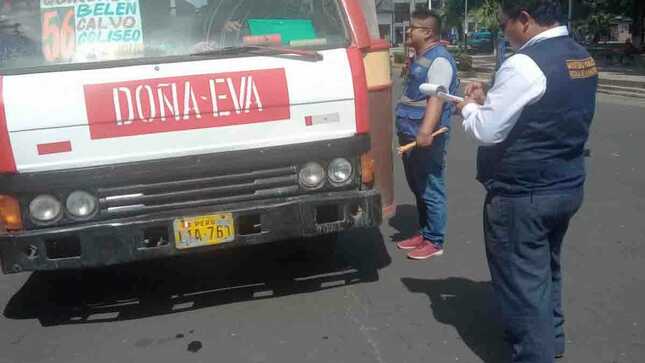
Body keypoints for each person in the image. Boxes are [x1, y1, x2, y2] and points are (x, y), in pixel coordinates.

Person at [456, 1, 598, 362]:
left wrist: (469, 108)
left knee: (522, 284)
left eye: (505, 24)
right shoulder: (580, 56)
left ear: (525, 20)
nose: (503, 31)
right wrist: (491, 102)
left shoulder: (524, 63)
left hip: (525, 192)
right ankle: (553, 341)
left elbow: (487, 130)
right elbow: (544, 110)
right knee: (546, 269)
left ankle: (536, 354)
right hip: (566, 183)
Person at [395, 9, 459, 260]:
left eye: (413, 27)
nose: (408, 31)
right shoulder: (420, 56)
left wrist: (425, 130)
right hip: (409, 133)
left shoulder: (439, 60)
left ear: (428, 32)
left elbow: (437, 98)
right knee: (418, 185)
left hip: (425, 136)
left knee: (431, 186)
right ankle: (424, 232)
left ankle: (434, 240)